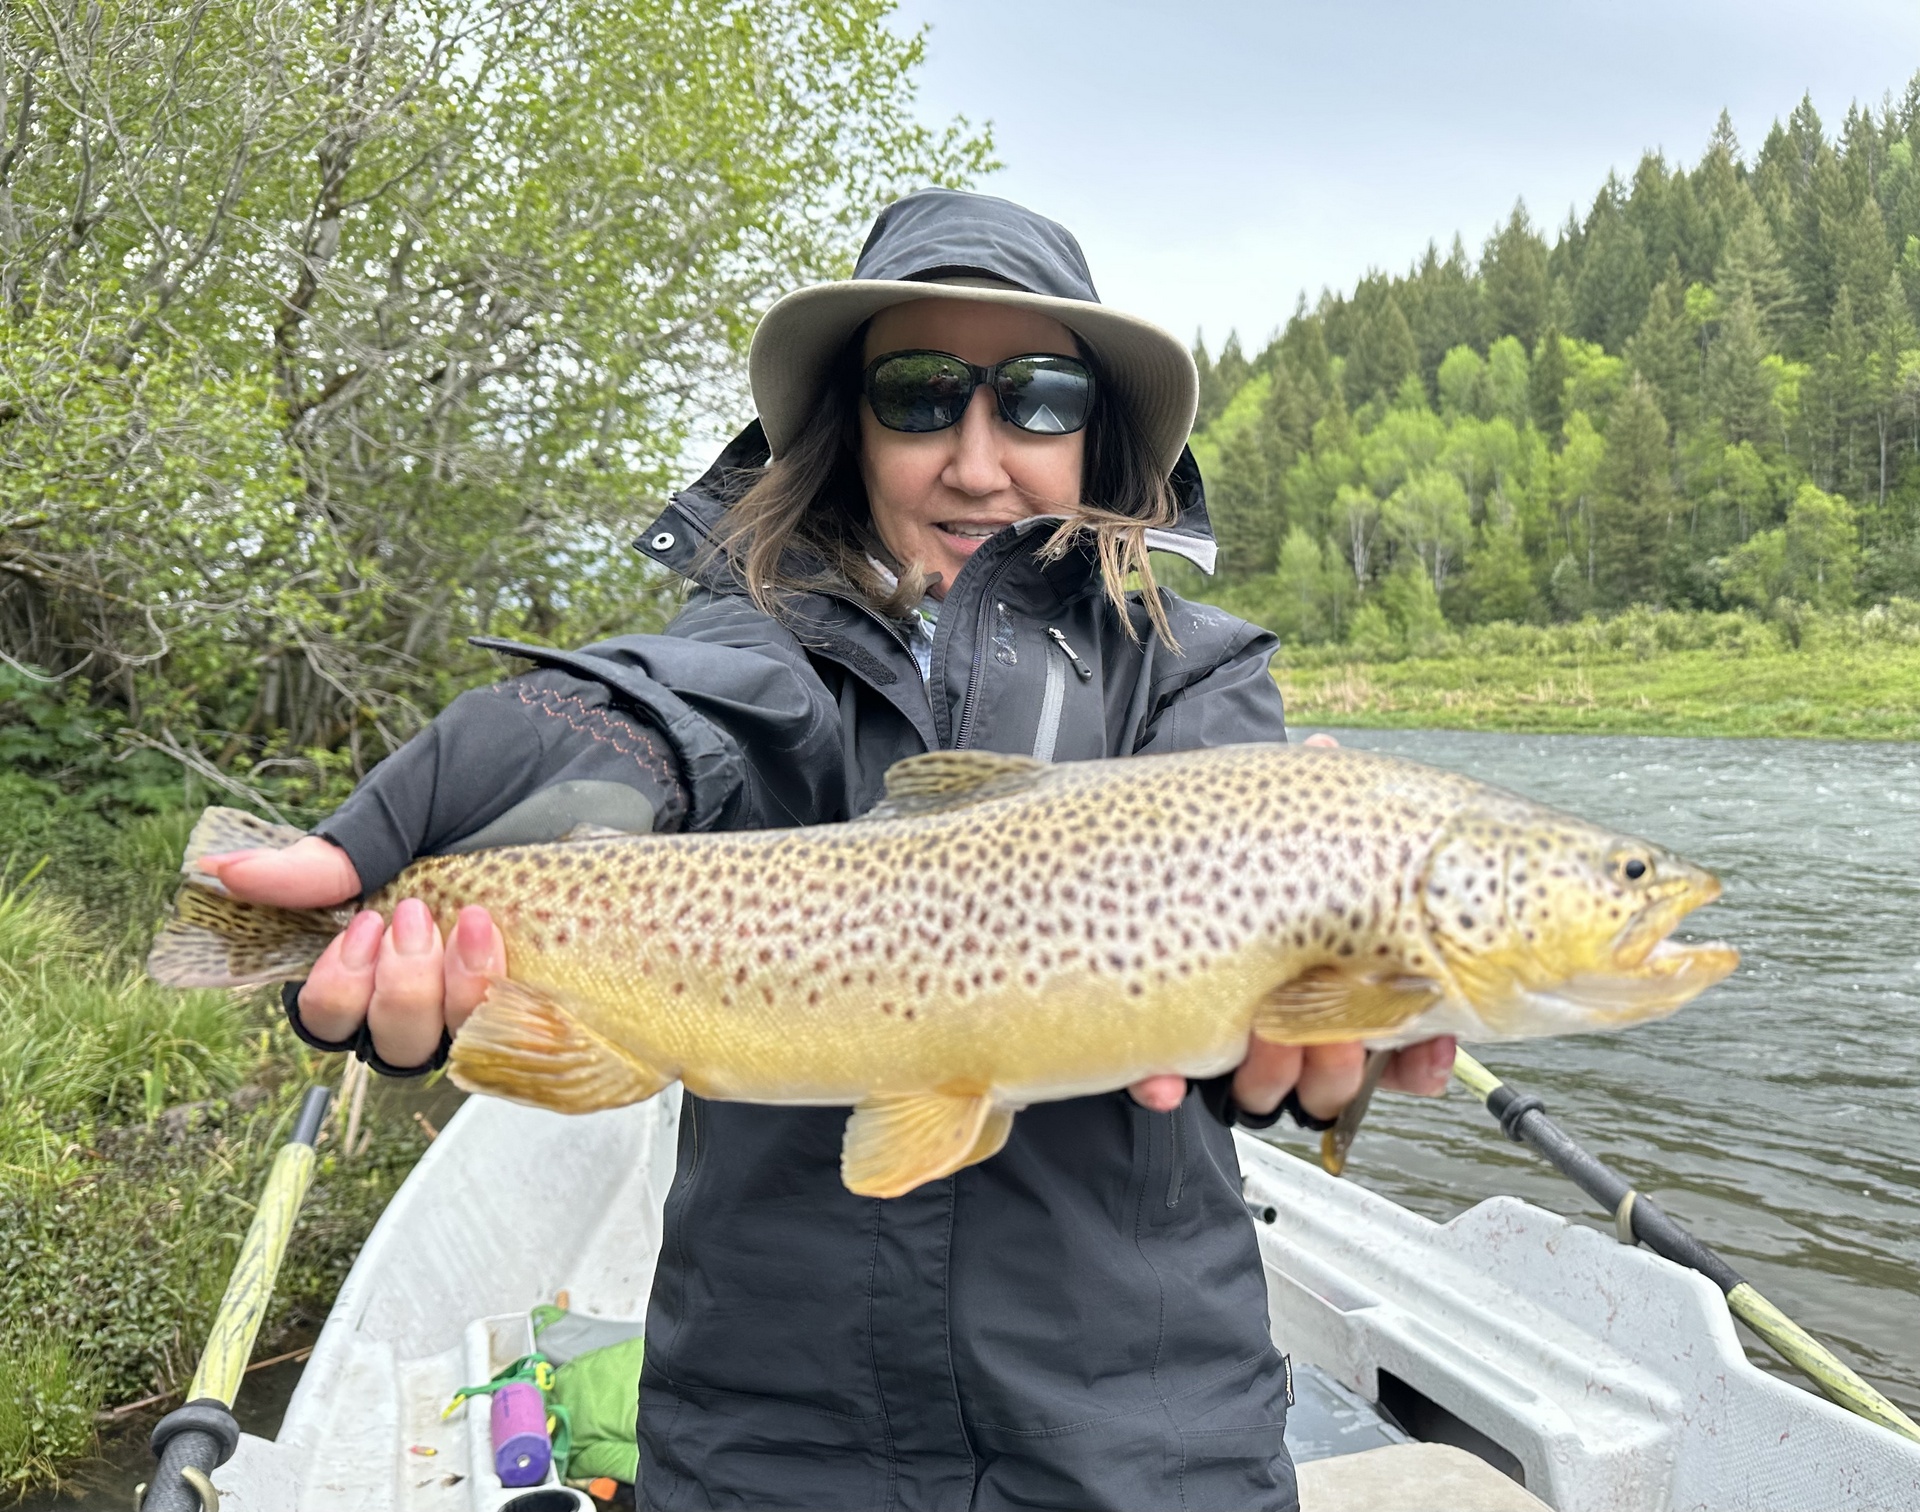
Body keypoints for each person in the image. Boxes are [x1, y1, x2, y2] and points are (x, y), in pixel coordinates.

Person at [202, 189, 1454, 1511]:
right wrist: (606, 729)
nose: (978, 459)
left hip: (1145, 1441)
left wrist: (1302, 1069)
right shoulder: (748, 646)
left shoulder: (1194, 676)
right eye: (919, 394)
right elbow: (704, 704)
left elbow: (1239, 955)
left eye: (1036, 397)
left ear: (1101, 429)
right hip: (765, 1445)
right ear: (847, 428)